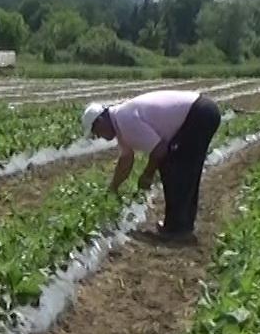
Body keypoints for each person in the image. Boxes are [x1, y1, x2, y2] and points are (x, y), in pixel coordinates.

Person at [82, 88, 222, 239]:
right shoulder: (120, 120)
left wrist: (147, 175)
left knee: (176, 167)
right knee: (183, 168)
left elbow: (159, 150)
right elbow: (126, 160)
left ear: (101, 121)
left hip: (199, 113)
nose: (98, 137)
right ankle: (181, 225)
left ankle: (177, 228)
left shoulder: (125, 120)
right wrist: (113, 188)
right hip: (199, 112)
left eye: (96, 132)